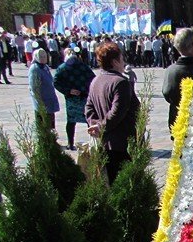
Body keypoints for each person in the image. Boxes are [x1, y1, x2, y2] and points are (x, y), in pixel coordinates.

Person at [85, 42, 141, 183]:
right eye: (122, 59)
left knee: (111, 182)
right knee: (125, 185)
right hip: (122, 144)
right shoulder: (120, 82)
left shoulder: (95, 80)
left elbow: (88, 109)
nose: (124, 63)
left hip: (105, 143)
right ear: (115, 61)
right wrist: (100, 127)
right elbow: (117, 112)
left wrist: (95, 125)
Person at [53, 46, 96, 150]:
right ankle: (93, 142)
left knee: (71, 121)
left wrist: (68, 90)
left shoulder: (63, 67)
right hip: (84, 97)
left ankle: (70, 143)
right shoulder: (83, 66)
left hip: (71, 98)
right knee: (88, 119)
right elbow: (93, 79)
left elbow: (56, 82)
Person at [28, 48, 60, 132]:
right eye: (41, 56)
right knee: (43, 125)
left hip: (49, 99)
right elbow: (34, 87)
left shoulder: (45, 67)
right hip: (42, 101)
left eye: (45, 56)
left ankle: (52, 140)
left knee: (51, 124)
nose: (43, 58)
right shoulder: (35, 69)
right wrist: (39, 102)